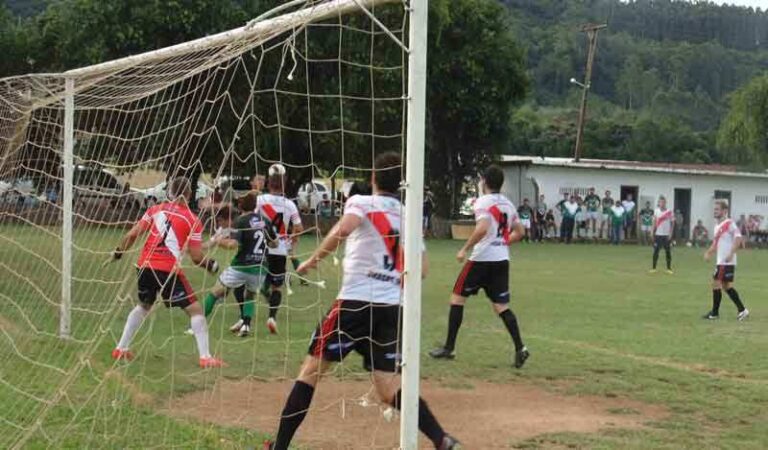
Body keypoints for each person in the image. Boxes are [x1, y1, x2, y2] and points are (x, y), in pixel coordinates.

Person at [262, 152, 459, 450]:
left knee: (310, 372)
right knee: (387, 387)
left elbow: (343, 229)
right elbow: (423, 270)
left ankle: (279, 447)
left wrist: (312, 260)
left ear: (373, 178)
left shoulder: (361, 203)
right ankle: (441, 439)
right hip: (392, 309)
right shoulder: (408, 215)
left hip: (354, 304)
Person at [109, 177, 224, 368]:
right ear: (189, 195)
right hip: (167, 270)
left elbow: (132, 235)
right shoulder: (191, 219)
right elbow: (196, 257)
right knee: (195, 310)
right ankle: (205, 357)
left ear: (169, 192)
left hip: (144, 266)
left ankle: (121, 348)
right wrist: (210, 264)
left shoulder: (155, 210)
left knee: (144, 305)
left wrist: (118, 252)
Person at [429, 165, 529, 368]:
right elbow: (520, 232)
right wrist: (502, 242)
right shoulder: (508, 204)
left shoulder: (482, 202)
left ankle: (449, 348)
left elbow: (482, 228)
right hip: (501, 260)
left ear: (484, 181)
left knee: (457, 299)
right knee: (501, 307)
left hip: (482, 259)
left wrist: (464, 248)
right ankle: (520, 348)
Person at [196, 194, 277, 337]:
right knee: (250, 295)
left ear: (240, 206)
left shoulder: (240, 221)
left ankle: (197, 325)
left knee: (215, 293)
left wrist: (220, 241)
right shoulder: (265, 221)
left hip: (241, 265)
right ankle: (246, 325)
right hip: (261, 267)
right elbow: (274, 243)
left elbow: (232, 245)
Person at [257, 164, 304, 335]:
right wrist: (292, 242)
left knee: (257, 279)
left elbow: (252, 219)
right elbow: (299, 228)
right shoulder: (289, 205)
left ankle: (244, 319)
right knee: (278, 286)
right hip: (280, 250)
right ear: (284, 184)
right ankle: (272, 317)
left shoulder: (260, 201)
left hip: (261, 247)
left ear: (268, 183)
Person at [702, 201, 749, 321]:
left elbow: (738, 238)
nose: (715, 211)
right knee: (726, 286)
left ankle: (715, 313)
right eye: (715, 209)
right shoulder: (717, 226)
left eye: (717, 209)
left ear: (724, 211)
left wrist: (731, 253)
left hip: (726, 261)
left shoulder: (729, 223)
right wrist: (708, 252)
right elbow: (715, 244)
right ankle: (742, 310)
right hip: (721, 261)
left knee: (716, 283)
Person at [650, 196, 674, 274]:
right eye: (660, 202)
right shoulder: (656, 211)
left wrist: (670, 233)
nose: (662, 204)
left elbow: (672, 223)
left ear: (665, 203)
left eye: (663, 202)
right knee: (656, 251)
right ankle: (653, 268)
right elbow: (653, 222)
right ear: (659, 203)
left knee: (668, 251)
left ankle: (669, 268)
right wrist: (652, 231)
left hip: (666, 235)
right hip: (658, 234)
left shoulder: (669, 212)